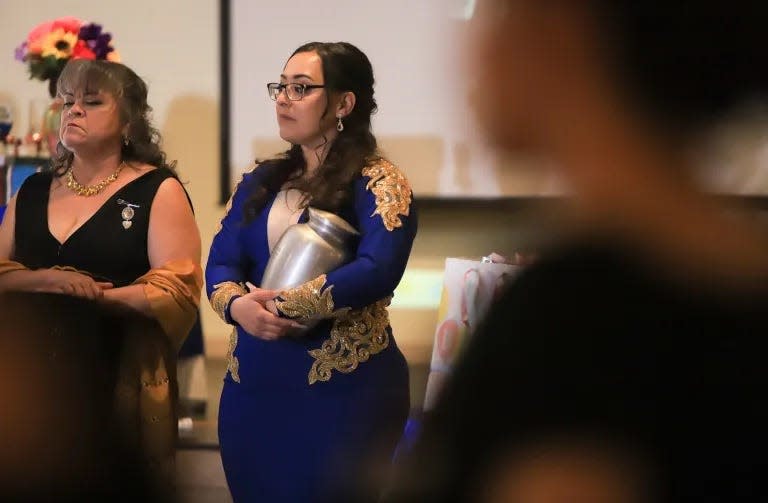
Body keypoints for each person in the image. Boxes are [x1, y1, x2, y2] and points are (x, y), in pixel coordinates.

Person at [386, 1, 768, 502]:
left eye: (499, 11)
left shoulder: (578, 327)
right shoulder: (728, 292)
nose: (474, 44)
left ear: (561, 29)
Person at [206, 41, 417, 502]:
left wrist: (284, 303)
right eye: (280, 87)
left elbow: (379, 269)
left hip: (343, 392)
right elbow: (222, 260)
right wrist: (238, 305)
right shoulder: (260, 180)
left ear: (343, 103)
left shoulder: (380, 180)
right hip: (252, 388)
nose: (283, 98)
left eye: (300, 88)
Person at [0, 59, 202, 491]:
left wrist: (94, 299)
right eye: (68, 101)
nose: (73, 111)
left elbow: (176, 289)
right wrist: (48, 282)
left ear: (128, 121)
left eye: (91, 102)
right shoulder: (32, 189)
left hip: (114, 376)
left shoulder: (157, 190)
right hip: (27, 377)